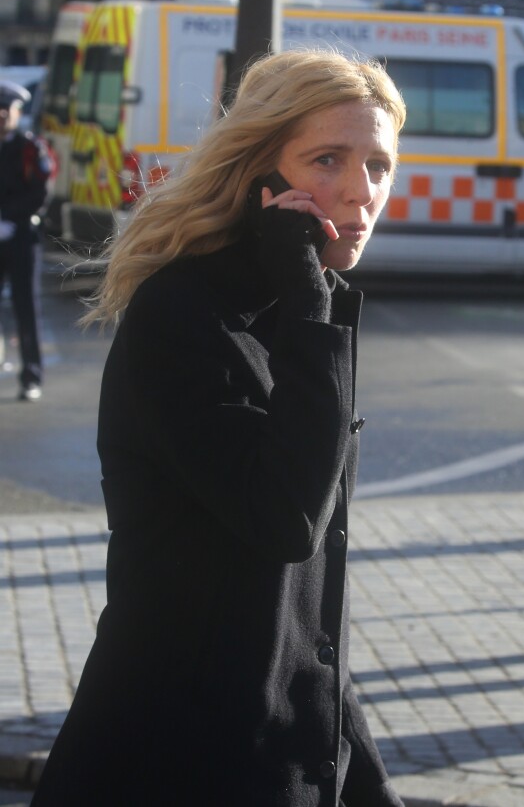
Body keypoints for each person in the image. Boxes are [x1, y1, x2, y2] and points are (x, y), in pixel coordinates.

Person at [31, 48, 407, 807]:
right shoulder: (187, 314)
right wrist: (308, 302)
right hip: (171, 759)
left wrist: (364, 777)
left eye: (379, 165)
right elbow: (288, 518)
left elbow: (301, 608)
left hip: (274, 754)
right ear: (260, 169)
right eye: (327, 159)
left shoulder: (299, 312)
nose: (359, 193)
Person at [0, 79, 51, 401]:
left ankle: (31, 375)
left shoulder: (30, 148)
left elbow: (39, 192)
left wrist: (8, 218)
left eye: (8, 111)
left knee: (25, 309)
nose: (3, 116)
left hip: (20, 237)